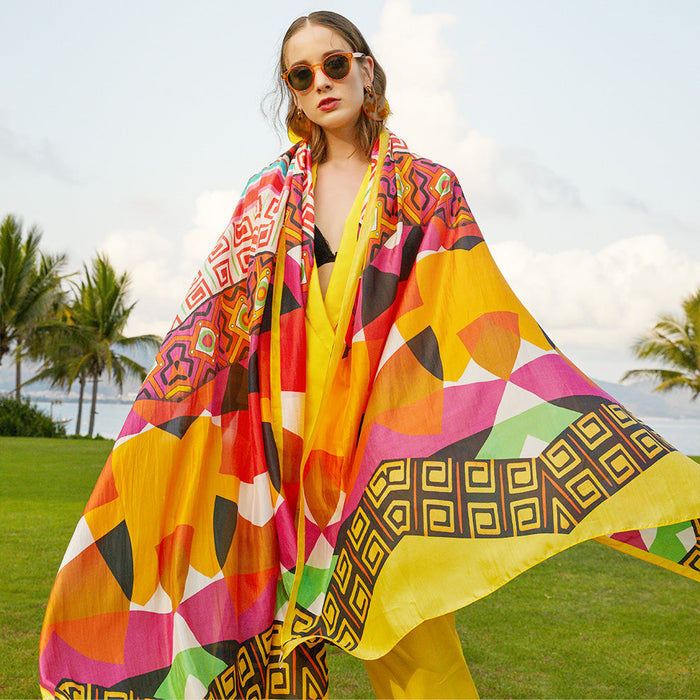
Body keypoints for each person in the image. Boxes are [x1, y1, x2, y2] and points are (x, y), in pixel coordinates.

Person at [40, 10, 700, 700]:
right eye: (301, 76)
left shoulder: (427, 188)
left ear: (366, 68)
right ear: (292, 94)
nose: (321, 83)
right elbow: (214, 320)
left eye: (334, 64)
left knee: (413, 641)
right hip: (279, 453)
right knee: (256, 639)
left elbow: (467, 311)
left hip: (384, 453)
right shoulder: (266, 196)